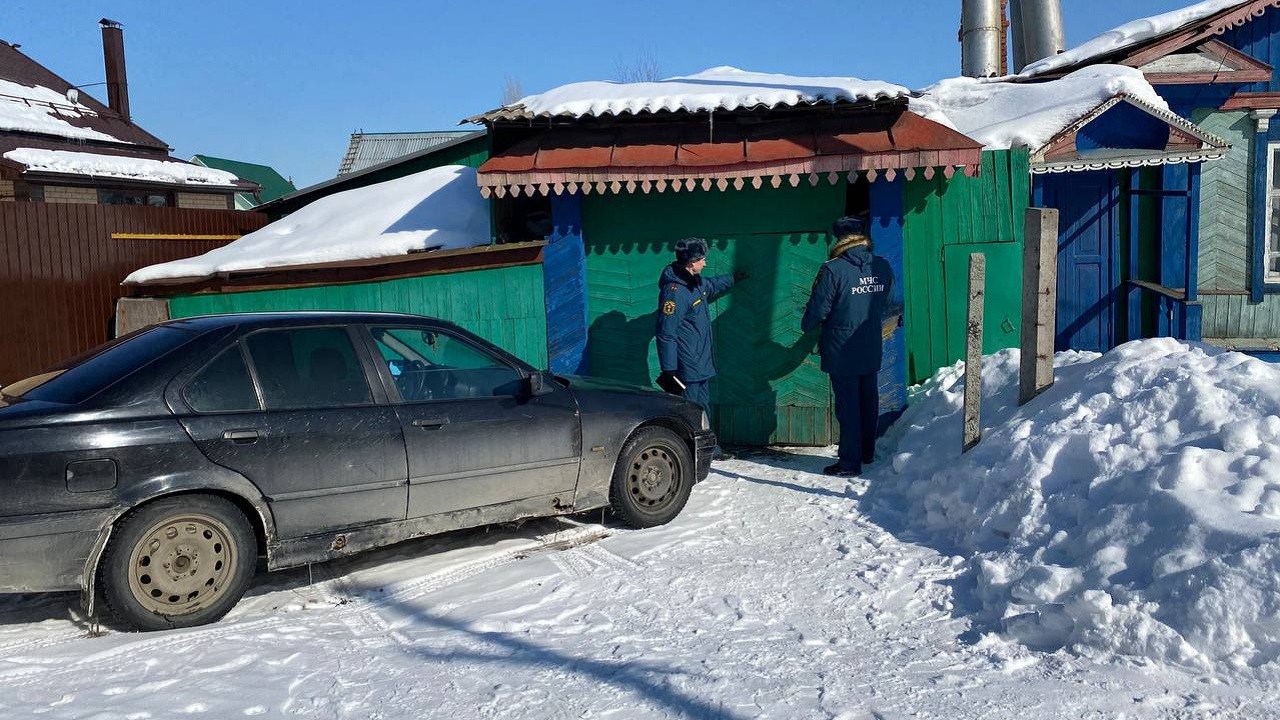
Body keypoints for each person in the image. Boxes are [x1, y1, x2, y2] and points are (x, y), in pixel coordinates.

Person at [801, 216, 895, 477]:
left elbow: (818, 310)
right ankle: (867, 452)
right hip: (870, 344)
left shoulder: (833, 269)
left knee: (848, 407)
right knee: (868, 400)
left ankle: (849, 462)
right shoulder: (882, 266)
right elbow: (888, 301)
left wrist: (806, 325)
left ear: (839, 239)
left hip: (842, 350)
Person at [655, 237, 745, 458]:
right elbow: (666, 333)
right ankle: (693, 452)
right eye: (702, 259)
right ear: (690, 261)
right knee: (691, 410)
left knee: (702, 407)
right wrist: (669, 370)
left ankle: (707, 448)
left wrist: (733, 278)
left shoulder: (694, 283)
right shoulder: (675, 293)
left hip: (701, 361)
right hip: (688, 364)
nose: (704, 263)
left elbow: (712, 285)